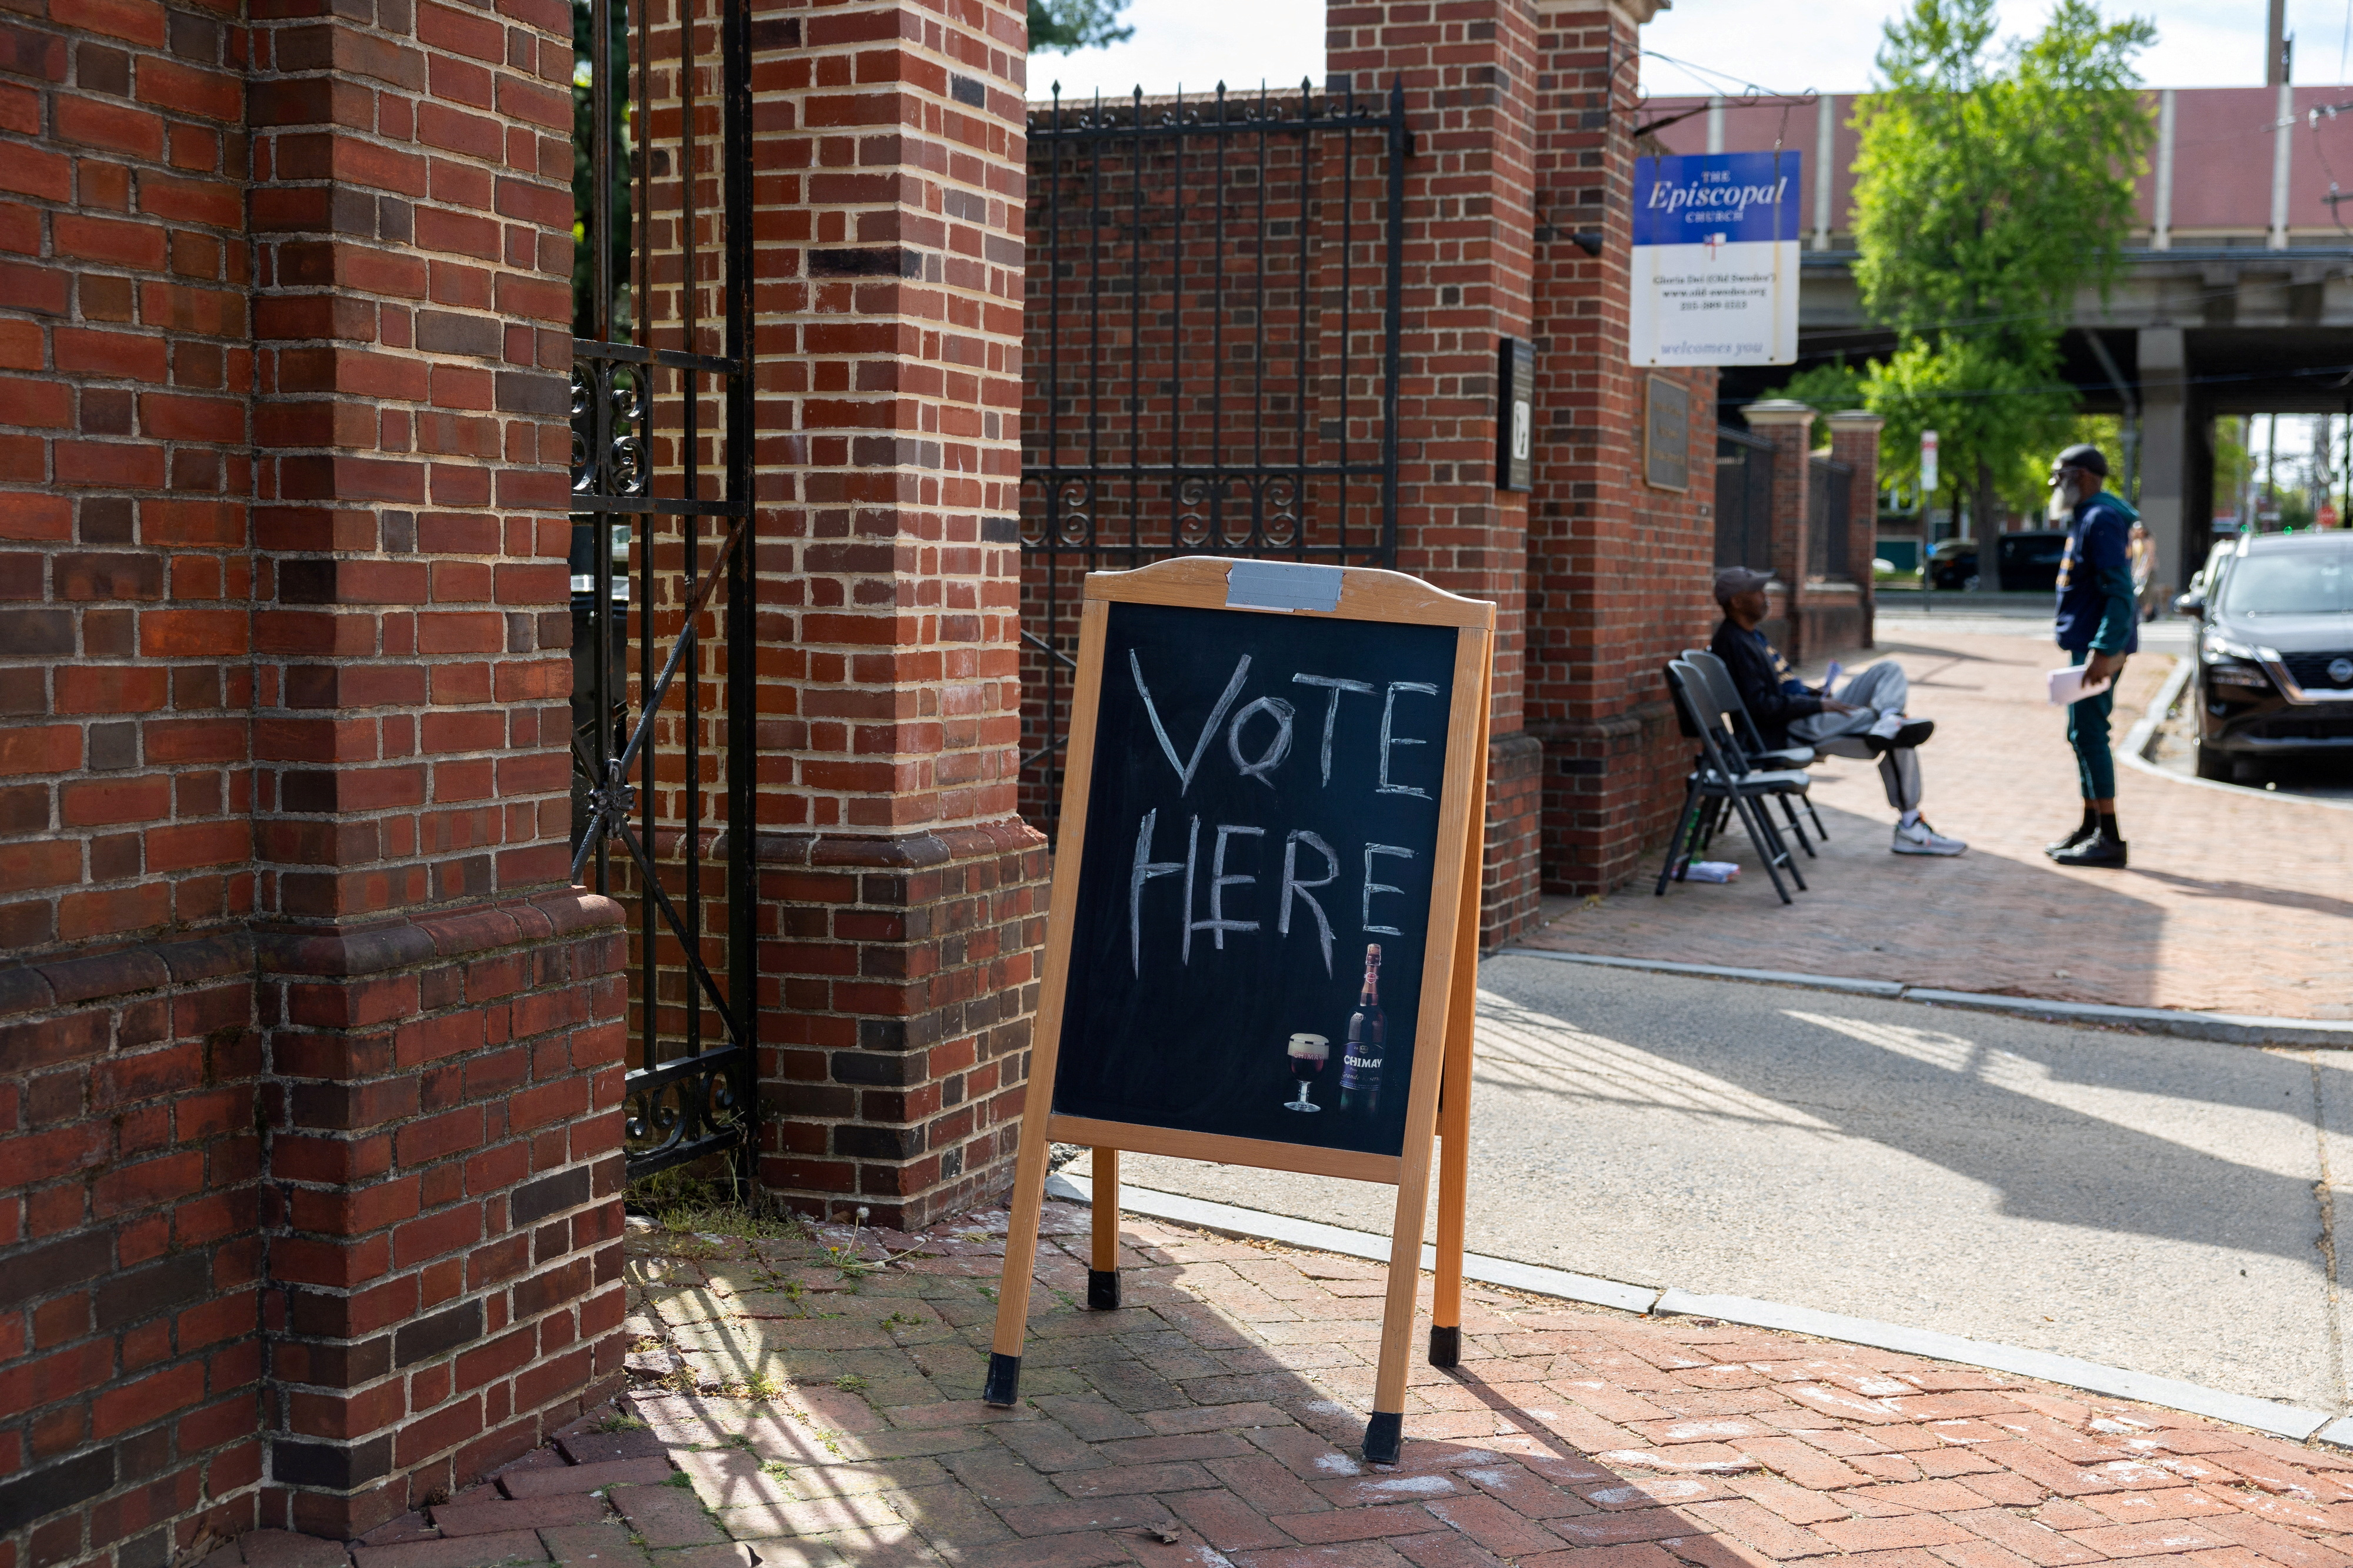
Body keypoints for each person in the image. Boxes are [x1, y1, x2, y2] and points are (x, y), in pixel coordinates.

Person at [1708, 566, 1967, 856]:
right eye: (1757, 592)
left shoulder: (1753, 635)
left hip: (1805, 713)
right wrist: (1817, 704)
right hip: (1789, 728)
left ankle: (1889, 717)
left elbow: (1781, 688)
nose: (1766, 597)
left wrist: (1813, 693)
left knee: (1888, 669)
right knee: (1901, 736)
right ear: (1737, 602)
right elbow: (1761, 709)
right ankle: (1910, 824)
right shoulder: (1734, 643)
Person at [2044, 443, 2137, 868]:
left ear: (2080, 476)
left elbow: (2120, 593)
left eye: (2059, 475)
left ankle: (2110, 838)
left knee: (2091, 734)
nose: (2055, 485)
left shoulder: (2101, 518)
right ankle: (2091, 825)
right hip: (2089, 644)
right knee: (2081, 733)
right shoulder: (2093, 515)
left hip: (2097, 648)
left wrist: (2104, 649)